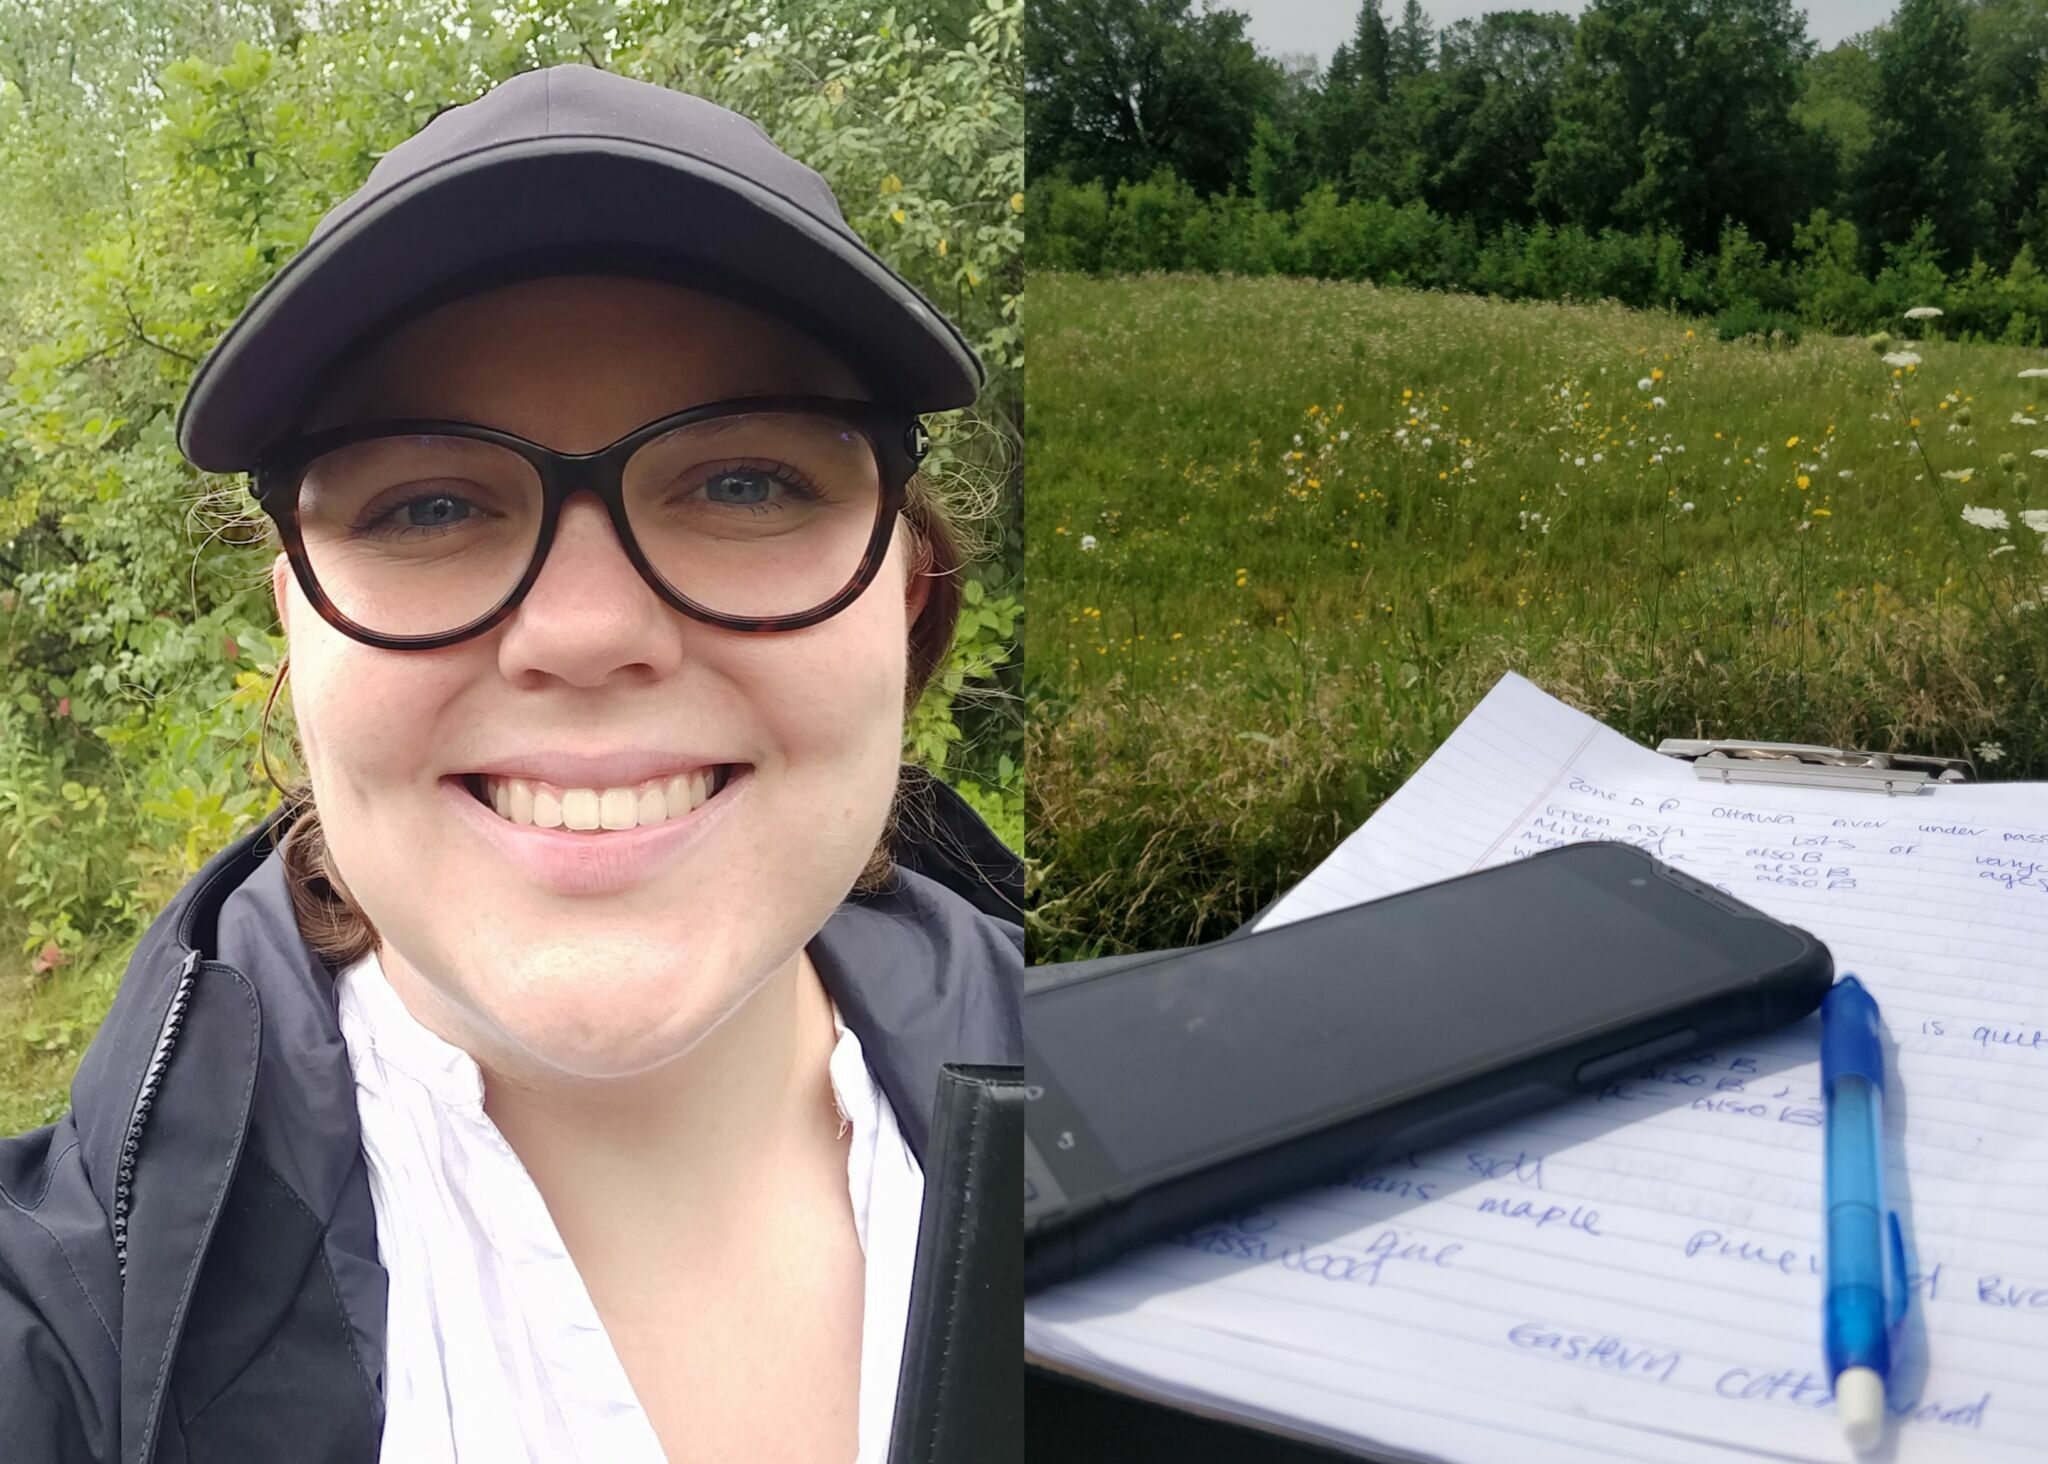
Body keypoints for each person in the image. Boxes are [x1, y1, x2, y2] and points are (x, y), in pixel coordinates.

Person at [0, 65, 1020, 1464]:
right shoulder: (64, 1336)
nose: (587, 631)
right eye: (427, 504)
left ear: (901, 592)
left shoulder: (1144, 1107)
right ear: (296, 623)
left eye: (743, 483)